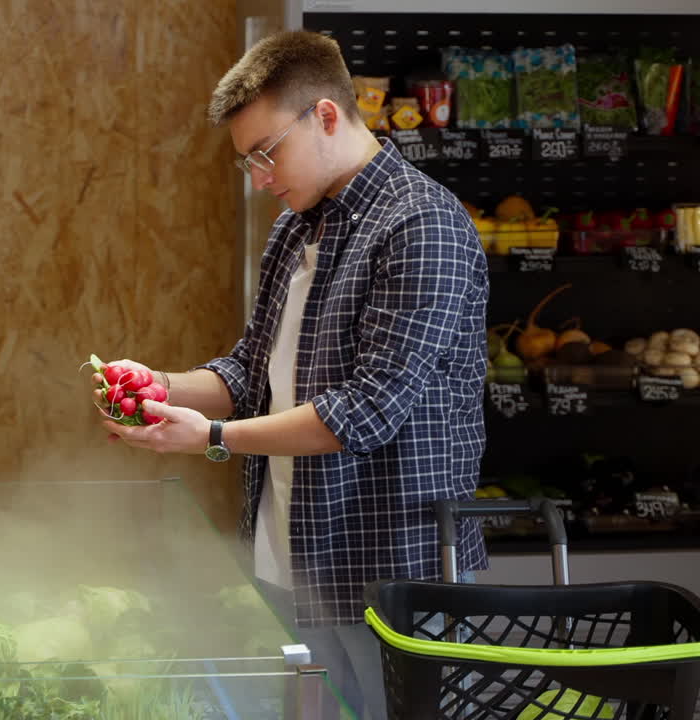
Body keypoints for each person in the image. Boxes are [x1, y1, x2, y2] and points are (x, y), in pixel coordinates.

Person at [95, 30, 488, 720]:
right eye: (246, 160)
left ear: (326, 116)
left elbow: (367, 410)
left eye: (266, 152)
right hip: (290, 557)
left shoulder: (421, 224)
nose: (258, 177)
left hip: (392, 566)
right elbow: (253, 371)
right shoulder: (295, 229)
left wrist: (211, 437)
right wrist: (162, 386)